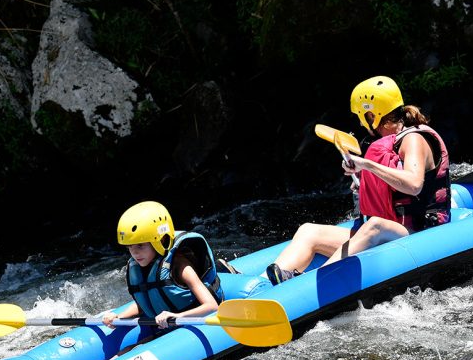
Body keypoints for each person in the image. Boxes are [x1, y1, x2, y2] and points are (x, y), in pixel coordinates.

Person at [265, 76, 451, 285]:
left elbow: (414, 185)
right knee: (309, 231)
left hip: (421, 232)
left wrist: (367, 165)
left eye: (362, 116)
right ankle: (262, 286)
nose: (361, 122)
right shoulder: (389, 143)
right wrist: (363, 181)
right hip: (395, 229)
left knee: (376, 225)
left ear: (372, 114)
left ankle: (304, 286)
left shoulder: (414, 139)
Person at [103, 200, 224, 329]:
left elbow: (211, 305)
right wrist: (119, 317)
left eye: (140, 245)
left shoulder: (180, 266)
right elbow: (148, 301)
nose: (135, 253)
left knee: (138, 347)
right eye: (130, 247)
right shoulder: (142, 265)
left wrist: (178, 316)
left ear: (161, 240)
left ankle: (224, 268)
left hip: (194, 322)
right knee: (126, 350)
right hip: (168, 325)